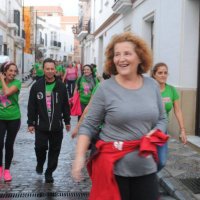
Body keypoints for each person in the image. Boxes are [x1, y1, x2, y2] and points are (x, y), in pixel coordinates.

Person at [72, 32, 168, 200]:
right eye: (117, 54)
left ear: (140, 57)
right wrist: (80, 156)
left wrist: (155, 133)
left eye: (127, 53)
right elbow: (89, 125)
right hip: (113, 170)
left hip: (146, 168)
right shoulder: (105, 88)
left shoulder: (152, 85)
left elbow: (162, 118)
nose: (121, 59)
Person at [27, 58, 71, 183]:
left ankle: (49, 172)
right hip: (41, 125)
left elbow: (65, 105)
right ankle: (40, 163)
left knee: (55, 150)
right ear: (43, 69)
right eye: (48, 69)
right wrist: (31, 123)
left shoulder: (61, 86)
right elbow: (32, 106)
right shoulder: (37, 86)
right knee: (40, 148)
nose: (50, 71)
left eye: (52, 69)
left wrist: (67, 121)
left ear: (55, 70)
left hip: (57, 126)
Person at [151, 62, 187, 170]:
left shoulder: (171, 90)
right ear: (154, 74)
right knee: (148, 160)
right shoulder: (149, 89)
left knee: (161, 161)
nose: (163, 75)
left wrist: (182, 130)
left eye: (165, 73)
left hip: (162, 130)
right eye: (160, 72)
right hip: (148, 129)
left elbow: (178, 110)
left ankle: (151, 176)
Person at [0, 61, 21, 182]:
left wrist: (2, 80)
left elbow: (7, 92)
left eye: (14, 71)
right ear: (5, 71)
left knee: (9, 144)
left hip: (13, 118)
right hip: (0, 118)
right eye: (10, 70)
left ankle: (7, 170)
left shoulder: (17, 83)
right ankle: (0, 168)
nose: (13, 73)